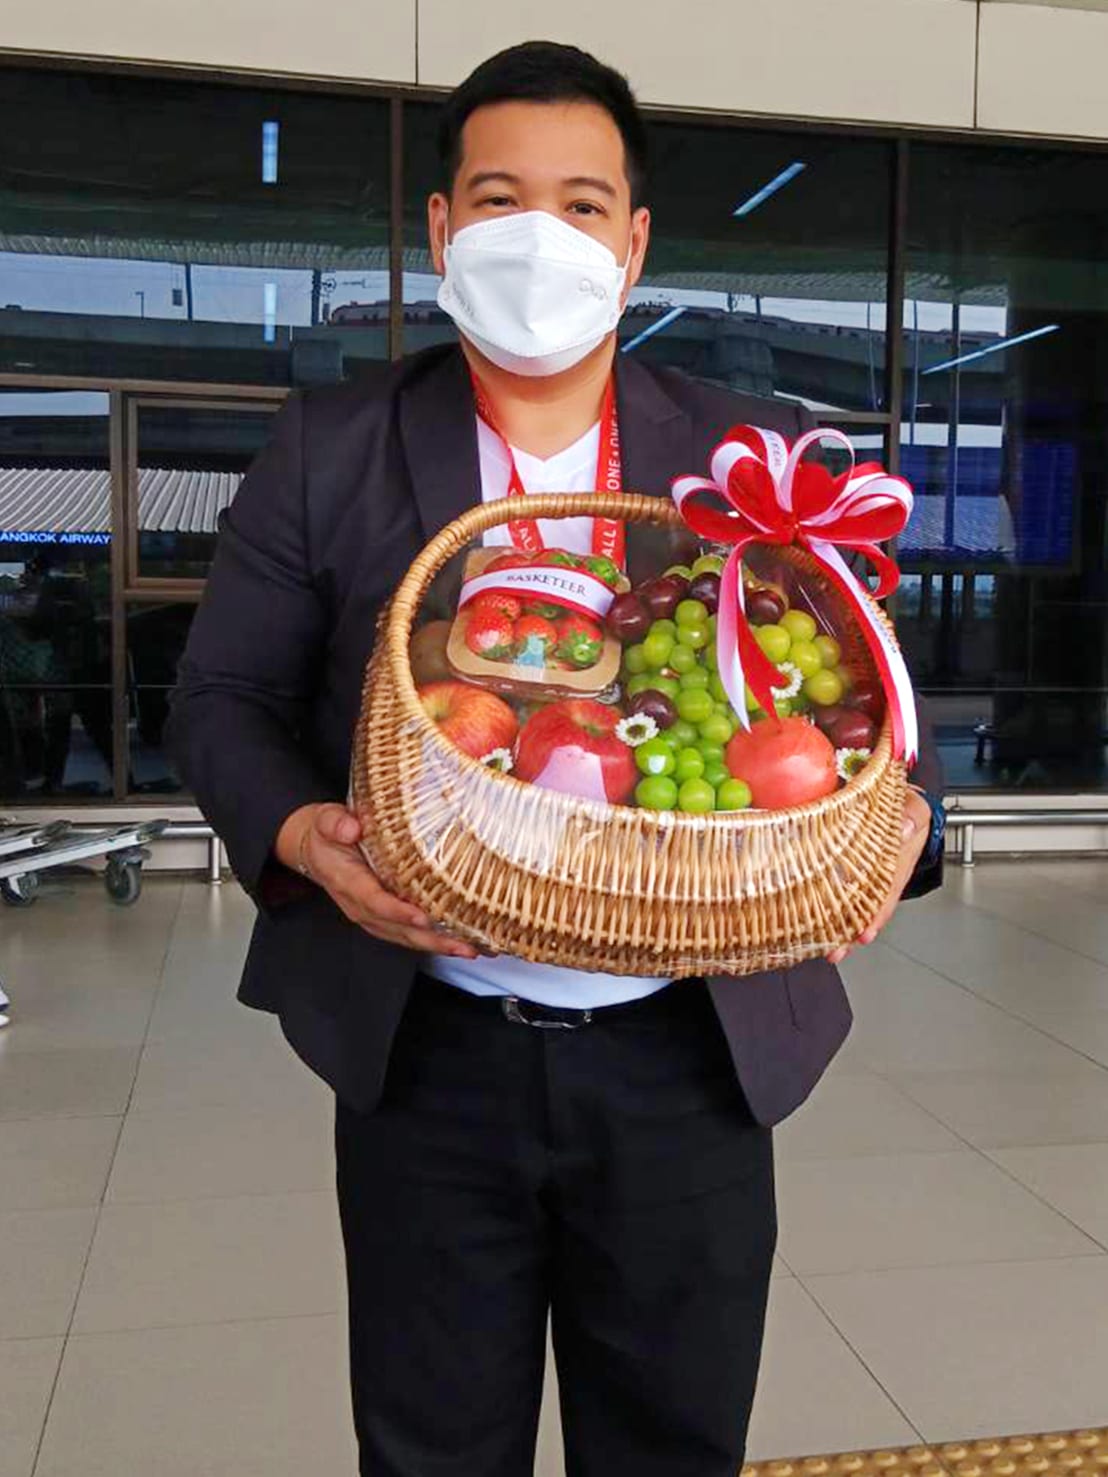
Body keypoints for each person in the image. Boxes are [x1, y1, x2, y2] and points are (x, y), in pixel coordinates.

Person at [169, 41, 945, 1477]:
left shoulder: (741, 462)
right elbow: (218, 697)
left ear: (635, 241)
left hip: (688, 1060)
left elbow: (865, 699)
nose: (543, 237)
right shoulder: (333, 449)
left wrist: (911, 821)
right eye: (502, 198)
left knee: (672, 1442)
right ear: (443, 229)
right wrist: (301, 838)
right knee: (431, 1447)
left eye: (583, 204)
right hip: (432, 1054)